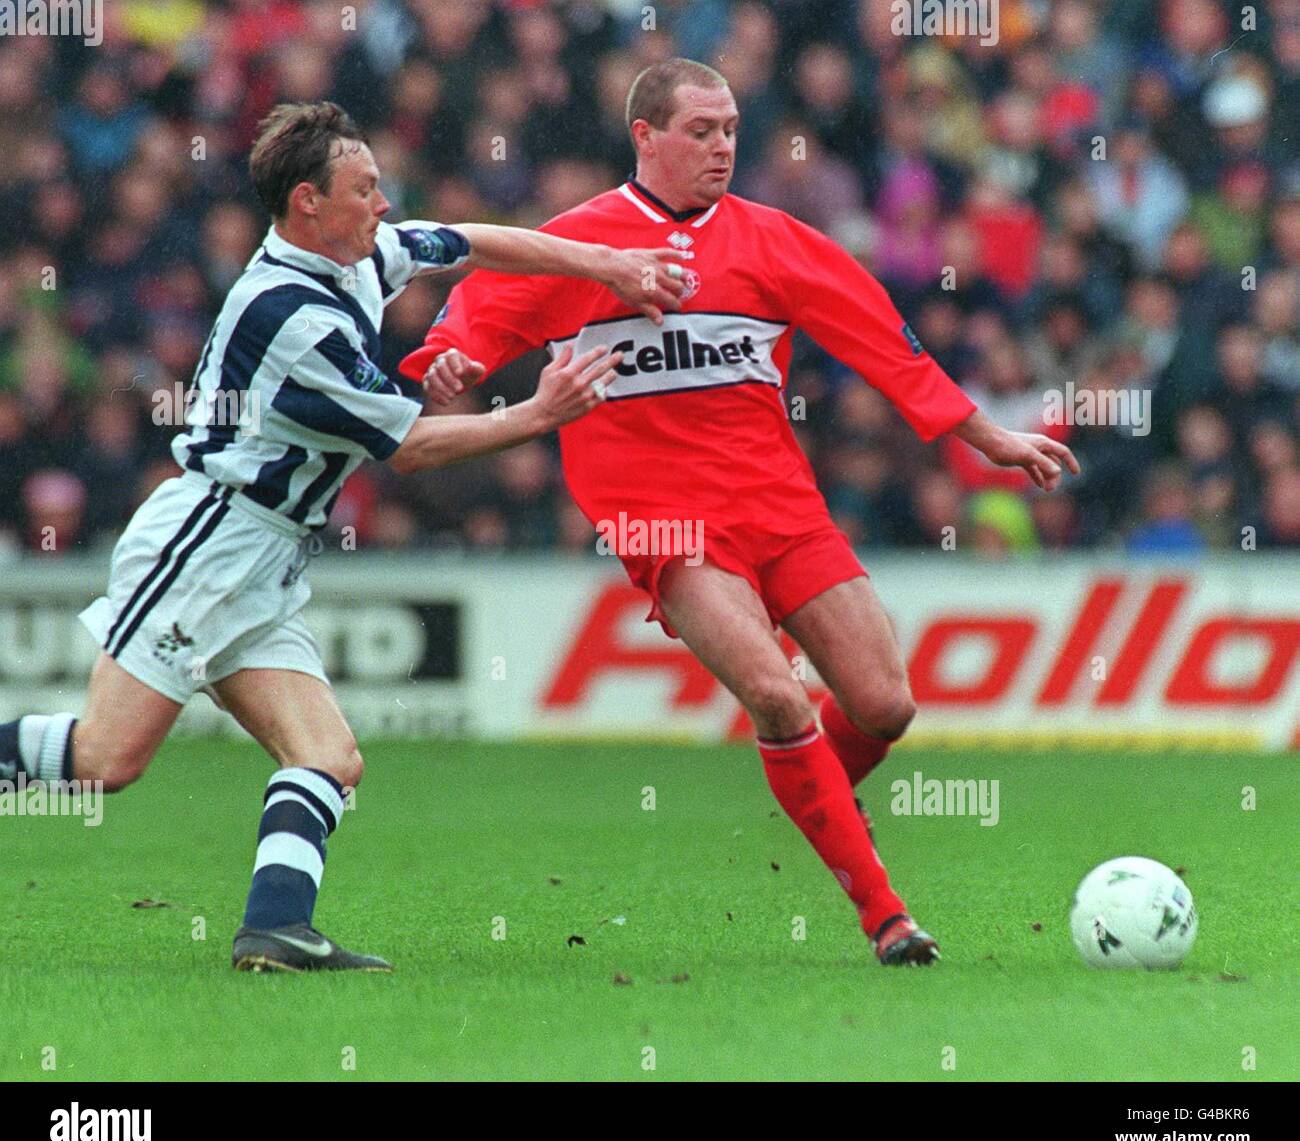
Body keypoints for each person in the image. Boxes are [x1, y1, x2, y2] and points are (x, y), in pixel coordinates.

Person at [401, 61, 1079, 965]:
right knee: (772, 691)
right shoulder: (583, 244)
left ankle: (818, 802)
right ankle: (887, 917)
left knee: (884, 704)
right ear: (645, 136)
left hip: (778, 502)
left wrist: (984, 432)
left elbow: (883, 339)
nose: (723, 145)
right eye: (700, 130)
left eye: (729, 129)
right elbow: (478, 311)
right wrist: (452, 359)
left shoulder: (773, 241)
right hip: (658, 516)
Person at [0, 100, 685, 973]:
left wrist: (606, 263)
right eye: (365, 190)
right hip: (209, 543)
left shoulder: (356, 259)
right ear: (306, 205)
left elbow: (470, 242)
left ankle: (275, 929)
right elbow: (412, 447)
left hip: (266, 556)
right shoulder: (290, 316)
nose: (385, 203)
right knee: (105, 759)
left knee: (328, 756)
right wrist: (540, 413)